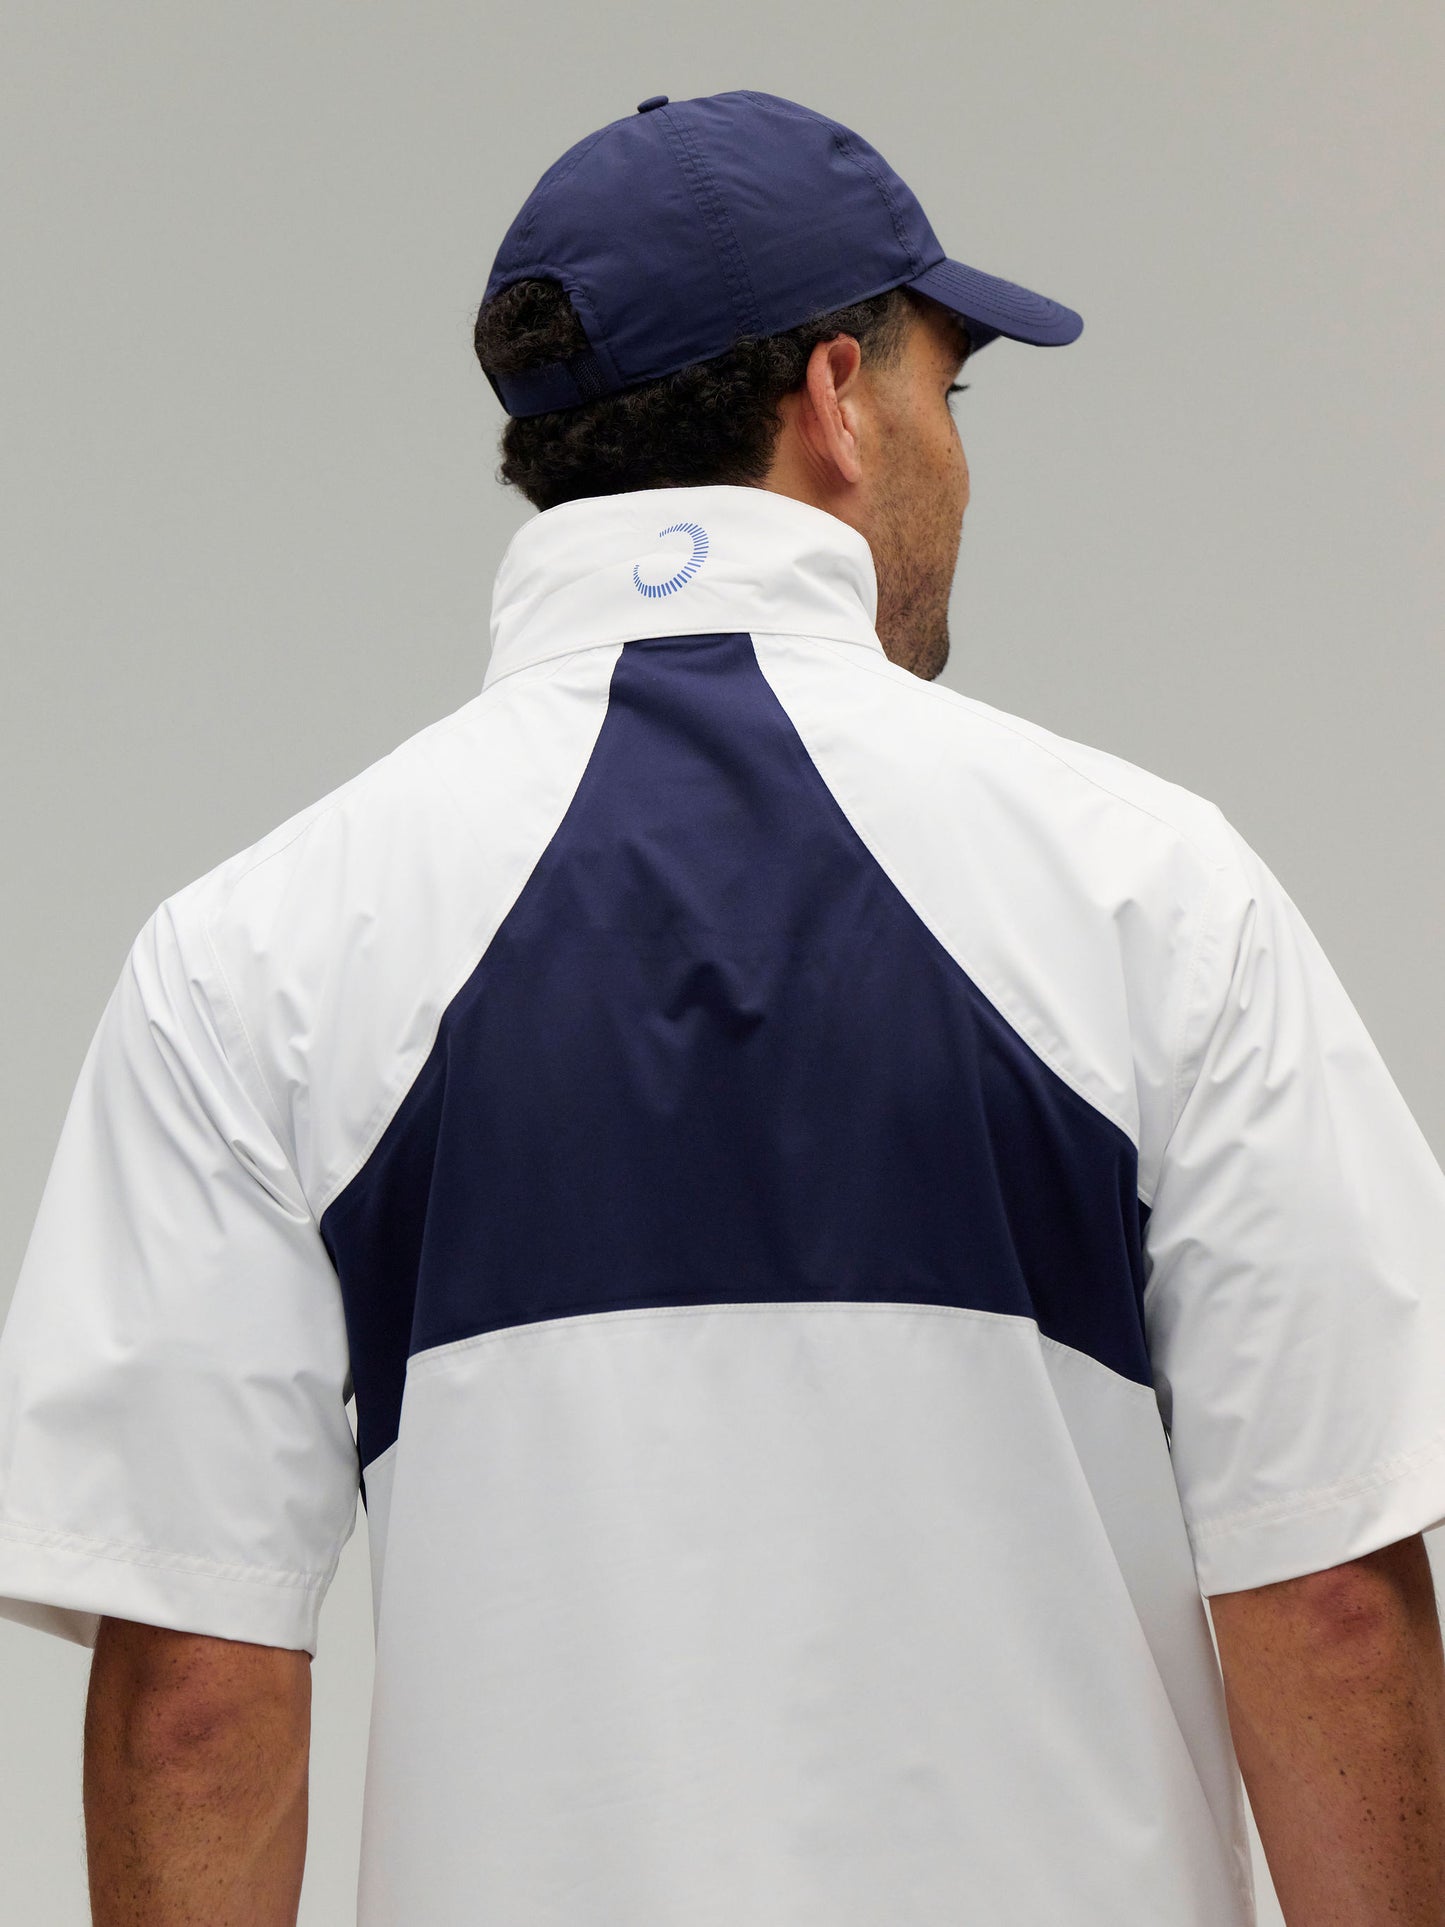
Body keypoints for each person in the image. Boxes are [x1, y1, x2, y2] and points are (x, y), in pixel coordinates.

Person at [2, 86, 1444, 1927]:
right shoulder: (1153, 889)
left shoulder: (250, 949)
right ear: (840, 398)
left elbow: (194, 1698)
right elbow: (1326, 1599)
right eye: (949, 390)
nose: (956, 458)